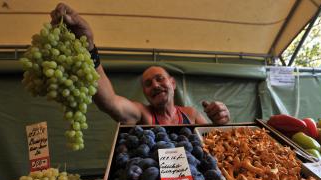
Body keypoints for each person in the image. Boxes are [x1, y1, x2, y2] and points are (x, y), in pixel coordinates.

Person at [50, 3, 231, 125]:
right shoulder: (142, 114)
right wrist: (88, 47)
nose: (155, 85)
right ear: (144, 93)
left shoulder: (190, 115)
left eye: (160, 79)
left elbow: (213, 144)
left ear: (173, 83)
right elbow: (110, 103)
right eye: (148, 84)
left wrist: (221, 120)